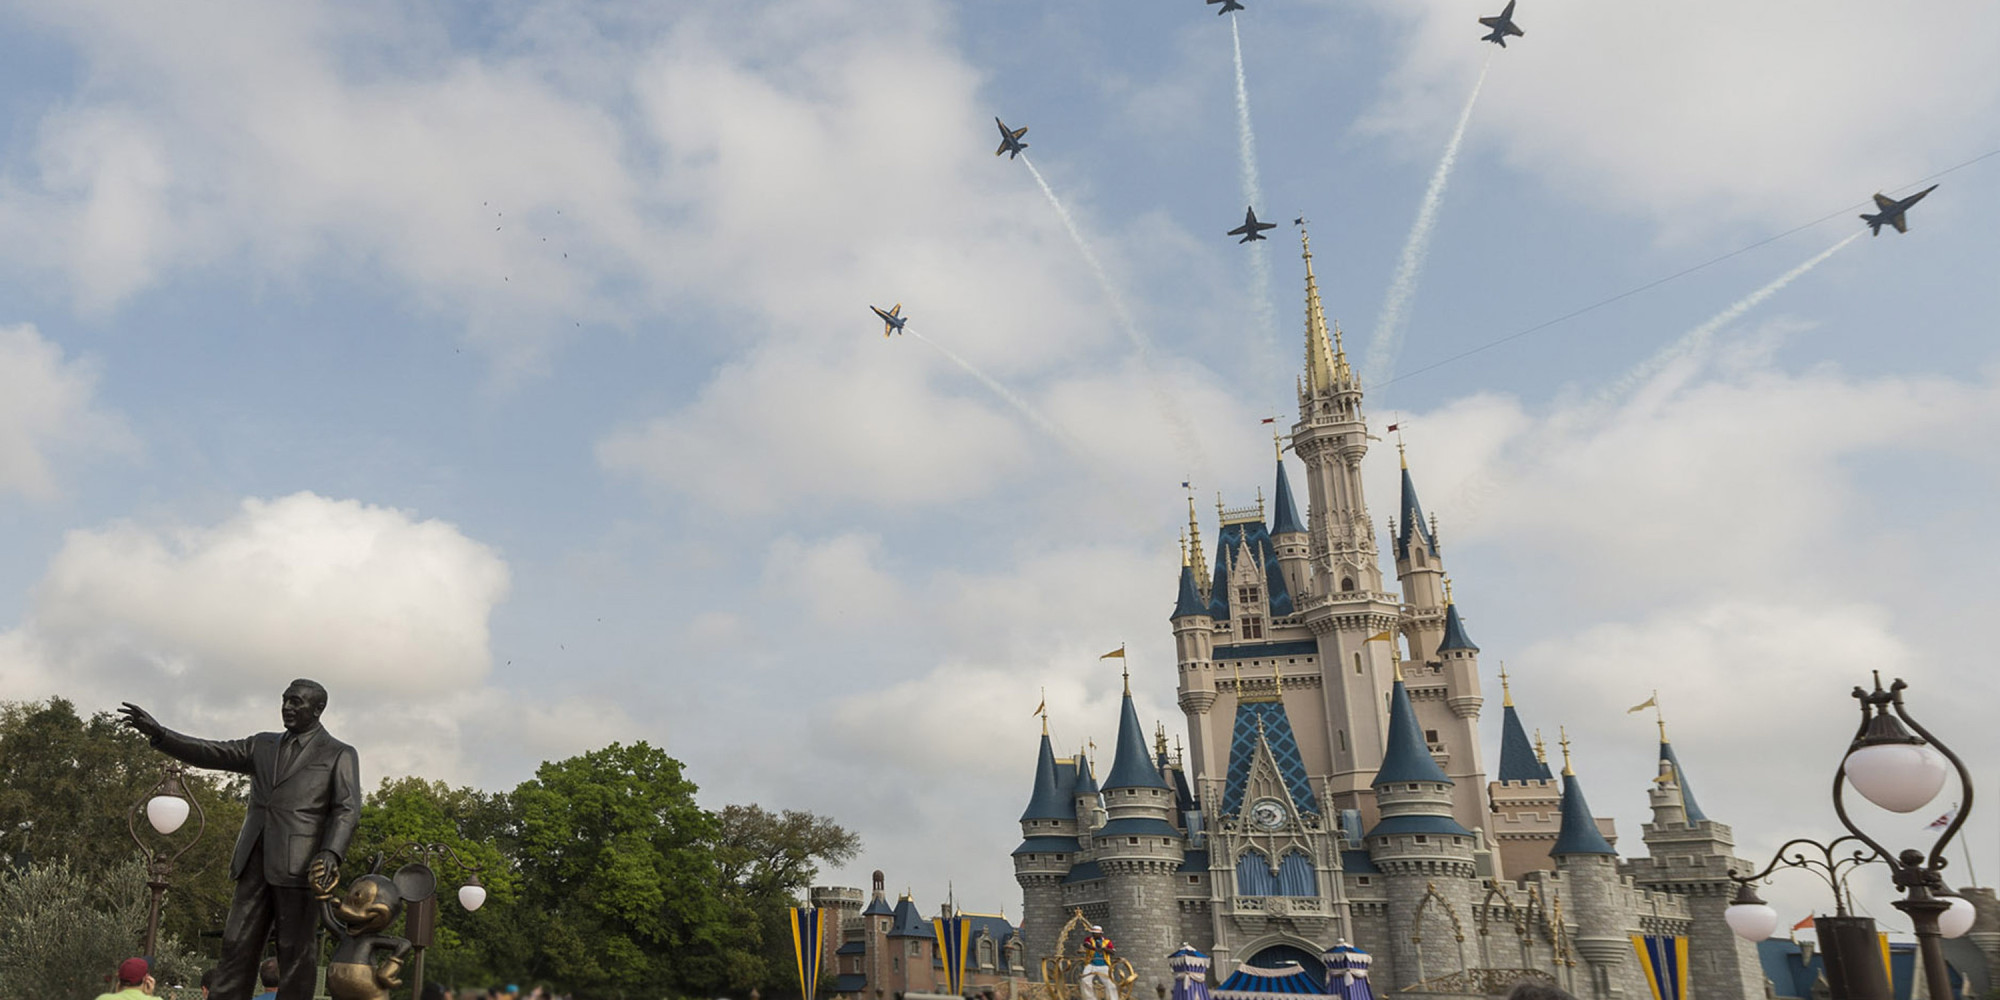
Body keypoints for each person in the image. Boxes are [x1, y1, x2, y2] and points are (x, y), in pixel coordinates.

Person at [119, 680, 361, 1000]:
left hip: (302, 867)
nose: (287, 707)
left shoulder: (339, 753)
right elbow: (213, 752)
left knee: (296, 953)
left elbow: (347, 808)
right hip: (253, 862)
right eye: (285, 700)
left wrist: (331, 852)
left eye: (297, 702)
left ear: (318, 710)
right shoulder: (262, 745)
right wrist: (161, 734)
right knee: (236, 945)